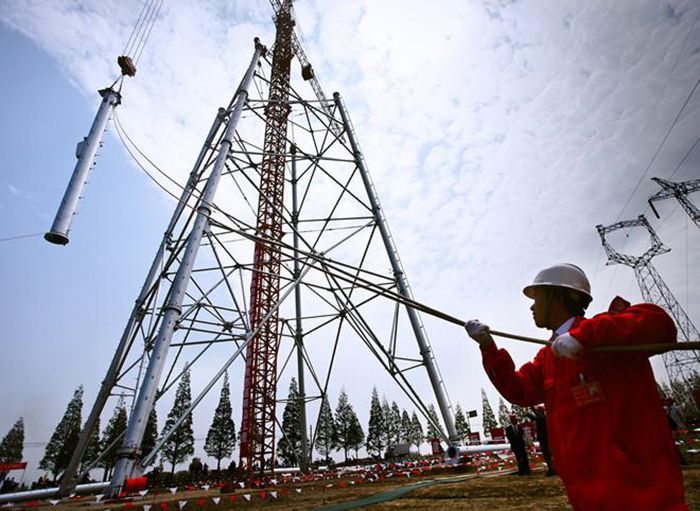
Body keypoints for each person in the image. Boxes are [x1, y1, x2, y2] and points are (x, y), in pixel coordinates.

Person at [465, 263, 687, 510]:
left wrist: (584, 337)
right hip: (587, 496)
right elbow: (519, 390)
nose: (532, 306)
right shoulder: (548, 356)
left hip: (641, 493)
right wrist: (487, 346)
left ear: (559, 297)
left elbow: (660, 324)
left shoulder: (607, 331)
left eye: (537, 297)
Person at [526, 405, 555, 476]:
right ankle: (552, 469)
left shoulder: (542, 418)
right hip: (545, 439)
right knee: (548, 456)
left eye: (538, 411)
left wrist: (530, 409)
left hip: (545, 440)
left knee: (547, 455)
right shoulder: (543, 418)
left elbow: (535, 417)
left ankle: (552, 470)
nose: (537, 412)